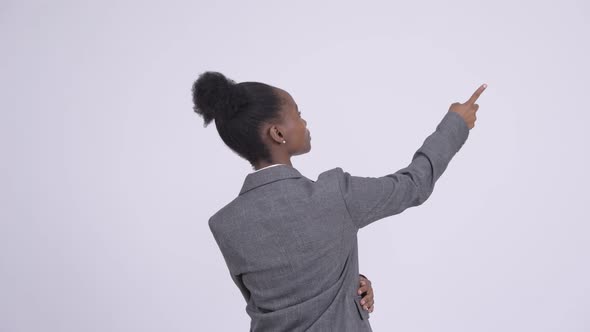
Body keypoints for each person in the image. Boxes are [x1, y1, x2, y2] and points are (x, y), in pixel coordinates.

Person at [192, 71, 486, 331]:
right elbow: (414, 184)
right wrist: (456, 124)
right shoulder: (335, 194)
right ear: (277, 133)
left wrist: (344, 281)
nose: (305, 121)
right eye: (297, 113)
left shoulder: (224, 224)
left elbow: (269, 297)